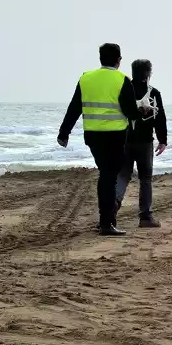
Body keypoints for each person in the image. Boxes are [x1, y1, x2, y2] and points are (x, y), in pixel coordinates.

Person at [57, 43, 146, 236]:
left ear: (100, 59)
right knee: (108, 176)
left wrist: (64, 133)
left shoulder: (85, 78)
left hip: (92, 136)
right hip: (115, 135)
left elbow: (74, 107)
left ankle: (106, 220)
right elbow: (130, 111)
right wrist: (141, 112)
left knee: (106, 174)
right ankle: (106, 223)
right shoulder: (122, 79)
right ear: (118, 60)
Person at [115, 59, 167, 228]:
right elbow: (160, 118)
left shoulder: (123, 90)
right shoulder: (153, 93)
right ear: (149, 73)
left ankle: (112, 208)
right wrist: (162, 140)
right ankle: (145, 217)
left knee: (122, 175)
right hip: (145, 141)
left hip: (124, 140)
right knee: (145, 178)